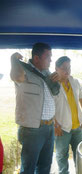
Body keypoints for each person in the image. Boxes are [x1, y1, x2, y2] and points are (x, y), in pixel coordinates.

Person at [10, 43, 60, 174]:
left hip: (49, 127)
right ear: (36, 58)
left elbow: (54, 95)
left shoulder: (48, 74)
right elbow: (17, 77)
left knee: (45, 166)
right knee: (28, 168)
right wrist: (13, 60)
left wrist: (57, 82)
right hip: (32, 130)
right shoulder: (22, 70)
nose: (51, 60)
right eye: (48, 56)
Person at [54, 56, 82, 174]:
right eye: (64, 68)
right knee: (61, 155)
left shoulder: (75, 82)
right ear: (56, 69)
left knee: (80, 154)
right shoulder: (53, 85)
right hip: (62, 128)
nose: (67, 71)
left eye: (69, 67)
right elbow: (49, 106)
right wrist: (55, 125)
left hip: (78, 127)